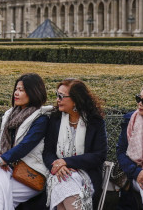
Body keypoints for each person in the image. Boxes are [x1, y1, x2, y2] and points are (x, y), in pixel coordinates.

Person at [0, 74, 54, 210]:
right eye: (16, 89)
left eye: (22, 90)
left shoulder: (41, 118)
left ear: (34, 92)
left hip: (30, 172)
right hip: (7, 167)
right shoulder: (10, 114)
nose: (16, 93)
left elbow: (25, 145)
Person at [43, 78, 108, 210]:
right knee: (63, 180)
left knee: (65, 182)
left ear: (75, 99)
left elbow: (99, 155)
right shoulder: (55, 119)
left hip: (86, 174)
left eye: (61, 96)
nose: (57, 100)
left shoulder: (94, 121)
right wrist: (58, 166)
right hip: (58, 172)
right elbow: (48, 152)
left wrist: (66, 162)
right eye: (57, 95)